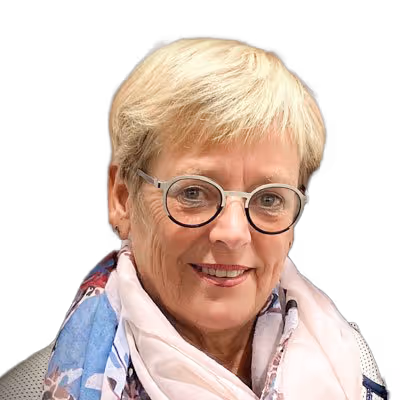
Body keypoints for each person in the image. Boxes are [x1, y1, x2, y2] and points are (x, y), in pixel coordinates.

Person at [0, 36, 388, 400]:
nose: (233, 233)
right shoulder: (25, 392)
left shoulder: (349, 364)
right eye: (193, 193)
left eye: (269, 198)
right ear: (122, 198)